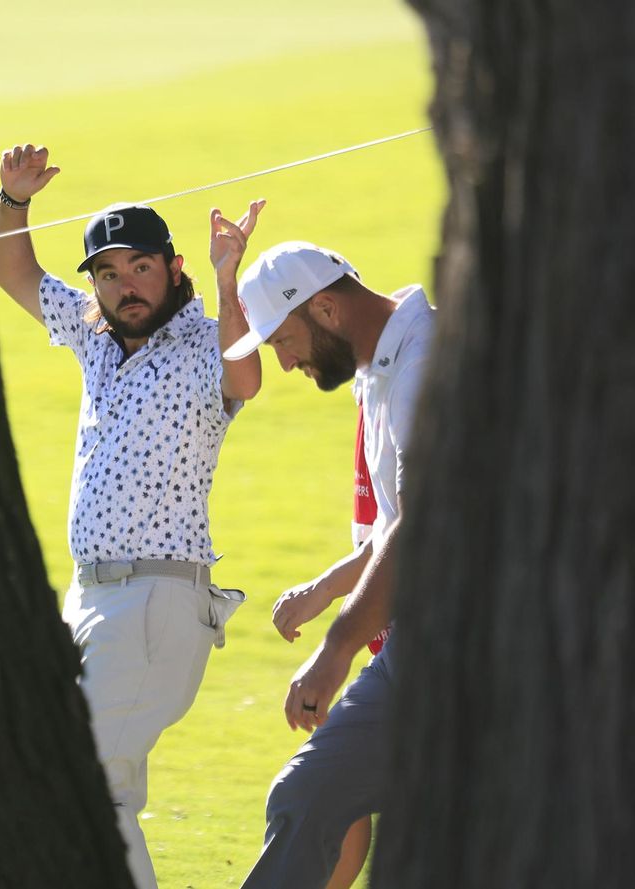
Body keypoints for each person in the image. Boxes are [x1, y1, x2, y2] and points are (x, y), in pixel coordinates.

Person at [0, 142, 263, 889]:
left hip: (155, 599)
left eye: (140, 267)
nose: (124, 286)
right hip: (92, 600)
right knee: (99, 797)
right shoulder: (94, 337)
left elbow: (247, 377)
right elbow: (13, 273)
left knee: (69, 779)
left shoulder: (204, 340)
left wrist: (228, 278)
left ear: (173, 269)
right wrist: (14, 202)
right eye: (108, 273)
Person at [222, 240, 435, 889]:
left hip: (475, 646)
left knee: (312, 794)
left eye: (284, 341)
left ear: (325, 308)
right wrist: (322, 589)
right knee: (313, 798)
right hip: (425, 641)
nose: (284, 363)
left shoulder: (425, 363)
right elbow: (389, 527)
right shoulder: (376, 370)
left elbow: (421, 520)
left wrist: (337, 647)